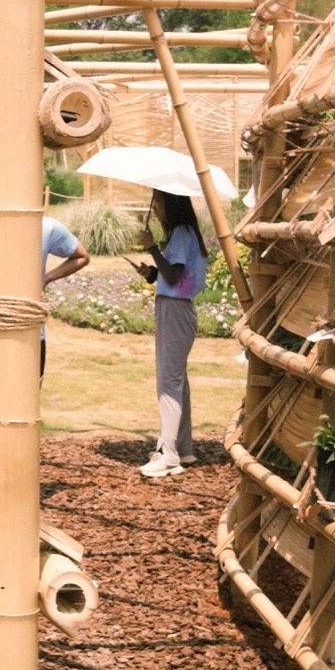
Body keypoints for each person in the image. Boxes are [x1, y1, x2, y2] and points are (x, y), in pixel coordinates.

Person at [0, 214, 89, 378]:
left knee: (27, 391)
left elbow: (81, 256)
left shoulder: (46, 226)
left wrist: (47, 278)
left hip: (28, 330)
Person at [137, 190, 208, 479]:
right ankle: (183, 448)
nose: (155, 207)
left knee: (169, 384)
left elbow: (175, 275)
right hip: (177, 308)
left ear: (172, 204)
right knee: (177, 382)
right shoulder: (186, 233)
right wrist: (152, 274)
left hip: (175, 311)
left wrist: (152, 248)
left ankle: (168, 457)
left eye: (159, 201)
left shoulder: (181, 233)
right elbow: (173, 276)